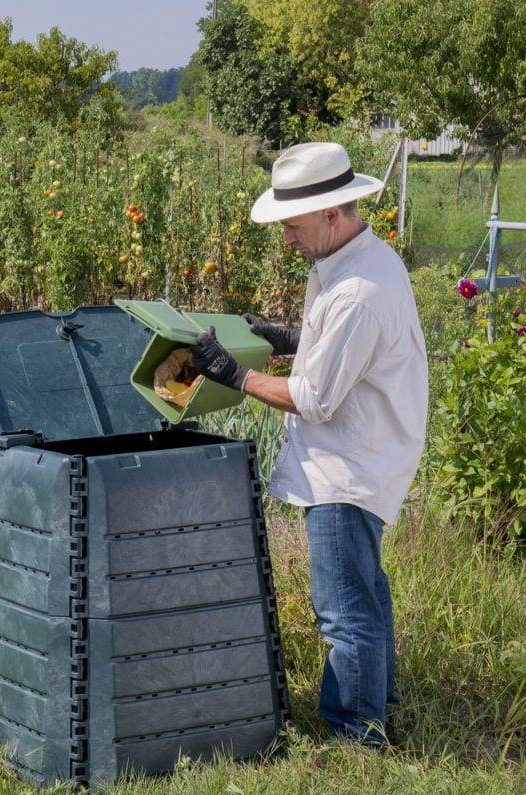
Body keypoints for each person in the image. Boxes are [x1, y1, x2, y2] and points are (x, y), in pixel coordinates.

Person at [182, 141, 428, 746]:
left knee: (344, 614)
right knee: (366, 598)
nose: (286, 239)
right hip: (363, 455)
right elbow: (346, 352)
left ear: (331, 214)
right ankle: (378, 706)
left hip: (347, 466)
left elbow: (317, 397)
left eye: (292, 226)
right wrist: (290, 336)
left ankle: (354, 734)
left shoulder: (357, 292)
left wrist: (235, 375)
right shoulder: (362, 261)